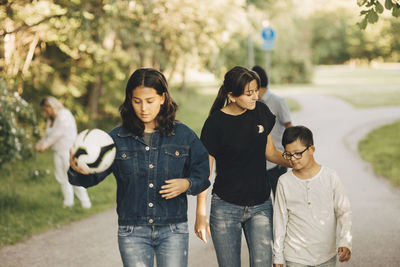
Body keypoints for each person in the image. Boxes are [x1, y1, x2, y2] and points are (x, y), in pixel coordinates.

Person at [68, 68, 210, 267]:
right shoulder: (116, 139)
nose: (143, 108)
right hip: (132, 232)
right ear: (129, 100)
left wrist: (187, 184)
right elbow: (91, 179)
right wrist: (77, 169)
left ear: (162, 98)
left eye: (150, 101)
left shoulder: (183, 135)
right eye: (137, 101)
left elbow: (202, 173)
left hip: (173, 229)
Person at [196, 66, 290, 267]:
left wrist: (294, 161)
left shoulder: (261, 112)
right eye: (249, 93)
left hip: (261, 205)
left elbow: (271, 153)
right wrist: (200, 214)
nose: (255, 96)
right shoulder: (215, 123)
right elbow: (205, 172)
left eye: (256, 91)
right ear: (231, 95)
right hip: (225, 207)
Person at [273, 126, 352, 267]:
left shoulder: (330, 177)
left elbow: (344, 212)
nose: (293, 159)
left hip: (326, 256)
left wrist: (345, 241)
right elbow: (280, 220)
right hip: (295, 257)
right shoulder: (284, 182)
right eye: (288, 154)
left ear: (311, 150)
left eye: (297, 153)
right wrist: (277, 256)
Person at [35, 96, 91, 209]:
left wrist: (45, 146)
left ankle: (86, 204)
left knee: (73, 176)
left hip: (68, 150)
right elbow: (48, 135)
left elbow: (57, 133)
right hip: (57, 151)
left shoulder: (64, 114)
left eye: (46, 109)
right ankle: (68, 203)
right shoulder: (51, 119)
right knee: (62, 178)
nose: (45, 112)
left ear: (51, 106)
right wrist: (39, 144)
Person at [252, 65, 292, 197]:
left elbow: (289, 127)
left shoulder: (278, 101)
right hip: (257, 164)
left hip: (276, 164)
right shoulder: (251, 102)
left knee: (281, 202)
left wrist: (289, 154)